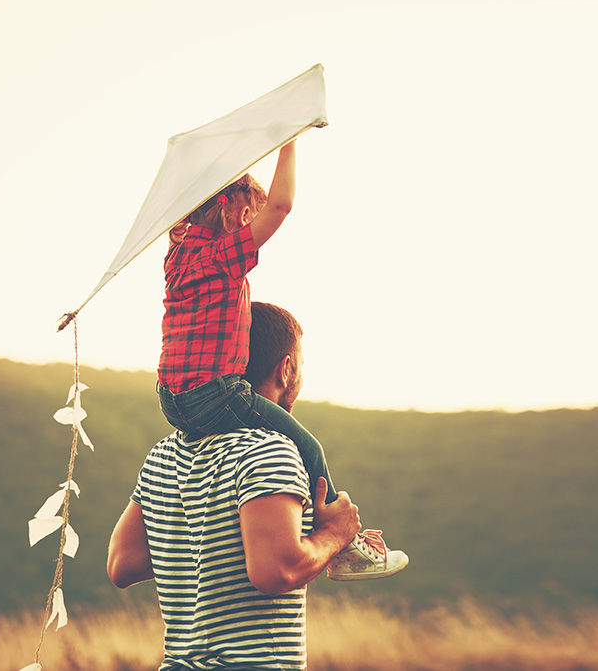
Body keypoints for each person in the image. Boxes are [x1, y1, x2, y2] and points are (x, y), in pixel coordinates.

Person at [109, 302, 409, 671]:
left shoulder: (164, 454)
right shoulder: (268, 447)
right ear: (286, 370)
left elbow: (123, 564)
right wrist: (334, 536)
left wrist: (209, 545)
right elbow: (274, 572)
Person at [155, 141, 403, 581]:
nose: (254, 225)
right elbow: (282, 206)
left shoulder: (177, 256)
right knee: (309, 448)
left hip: (170, 399)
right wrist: (288, 141)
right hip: (214, 394)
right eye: (250, 216)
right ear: (231, 211)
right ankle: (343, 545)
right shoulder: (220, 256)